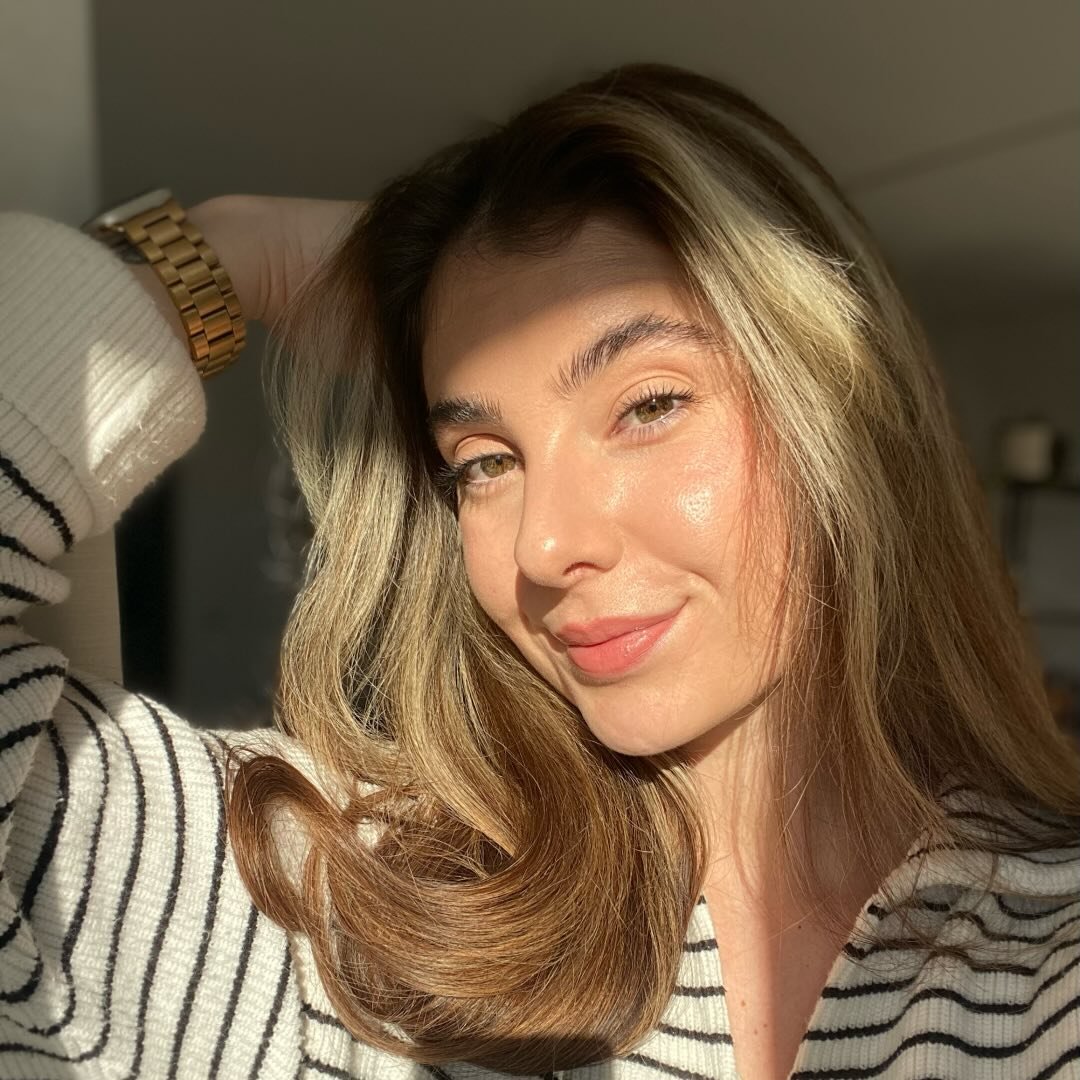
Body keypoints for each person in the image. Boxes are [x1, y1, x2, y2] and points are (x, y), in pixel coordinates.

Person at [1, 62, 1077, 1080]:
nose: (542, 547)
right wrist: (225, 258)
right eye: (485, 462)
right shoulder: (350, 911)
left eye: (650, 405)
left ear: (846, 415)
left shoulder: (1048, 954)